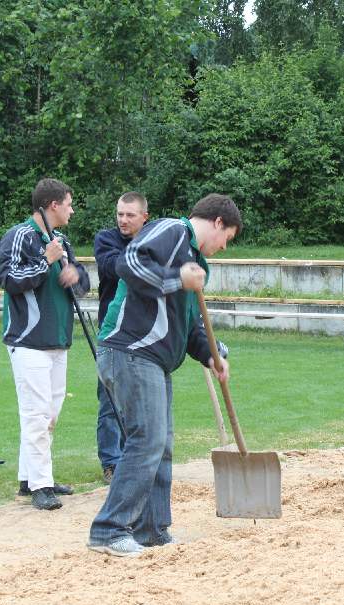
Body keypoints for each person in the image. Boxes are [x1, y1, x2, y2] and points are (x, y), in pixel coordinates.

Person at [88, 193, 241, 557]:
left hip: (153, 360)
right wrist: (177, 279)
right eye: (227, 238)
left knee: (161, 445)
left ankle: (152, 530)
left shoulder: (198, 265)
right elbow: (128, 263)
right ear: (218, 222)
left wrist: (210, 354)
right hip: (129, 350)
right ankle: (109, 530)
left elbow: (189, 326)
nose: (223, 247)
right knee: (148, 440)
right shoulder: (173, 230)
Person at [0, 178, 90, 510]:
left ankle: (29, 478)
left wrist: (75, 276)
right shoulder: (18, 236)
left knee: (50, 414)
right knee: (36, 414)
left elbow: (83, 281)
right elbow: (8, 280)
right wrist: (46, 262)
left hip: (58, 338)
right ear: (53, 205)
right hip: (28, 340)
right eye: (69, 204)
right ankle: (41, 485)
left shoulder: (62, 240)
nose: (72, 210)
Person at [93, 192, 149, 484]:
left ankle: (133, 458)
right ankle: (111, 462)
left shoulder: (152, 240)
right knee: (110, 402)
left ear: (144, 217)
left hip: (144, 335)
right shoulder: (106, 239)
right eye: (120, 214)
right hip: (112, 335)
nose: (123, 220)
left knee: (139, 401)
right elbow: (114, 266)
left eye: (130, 215)